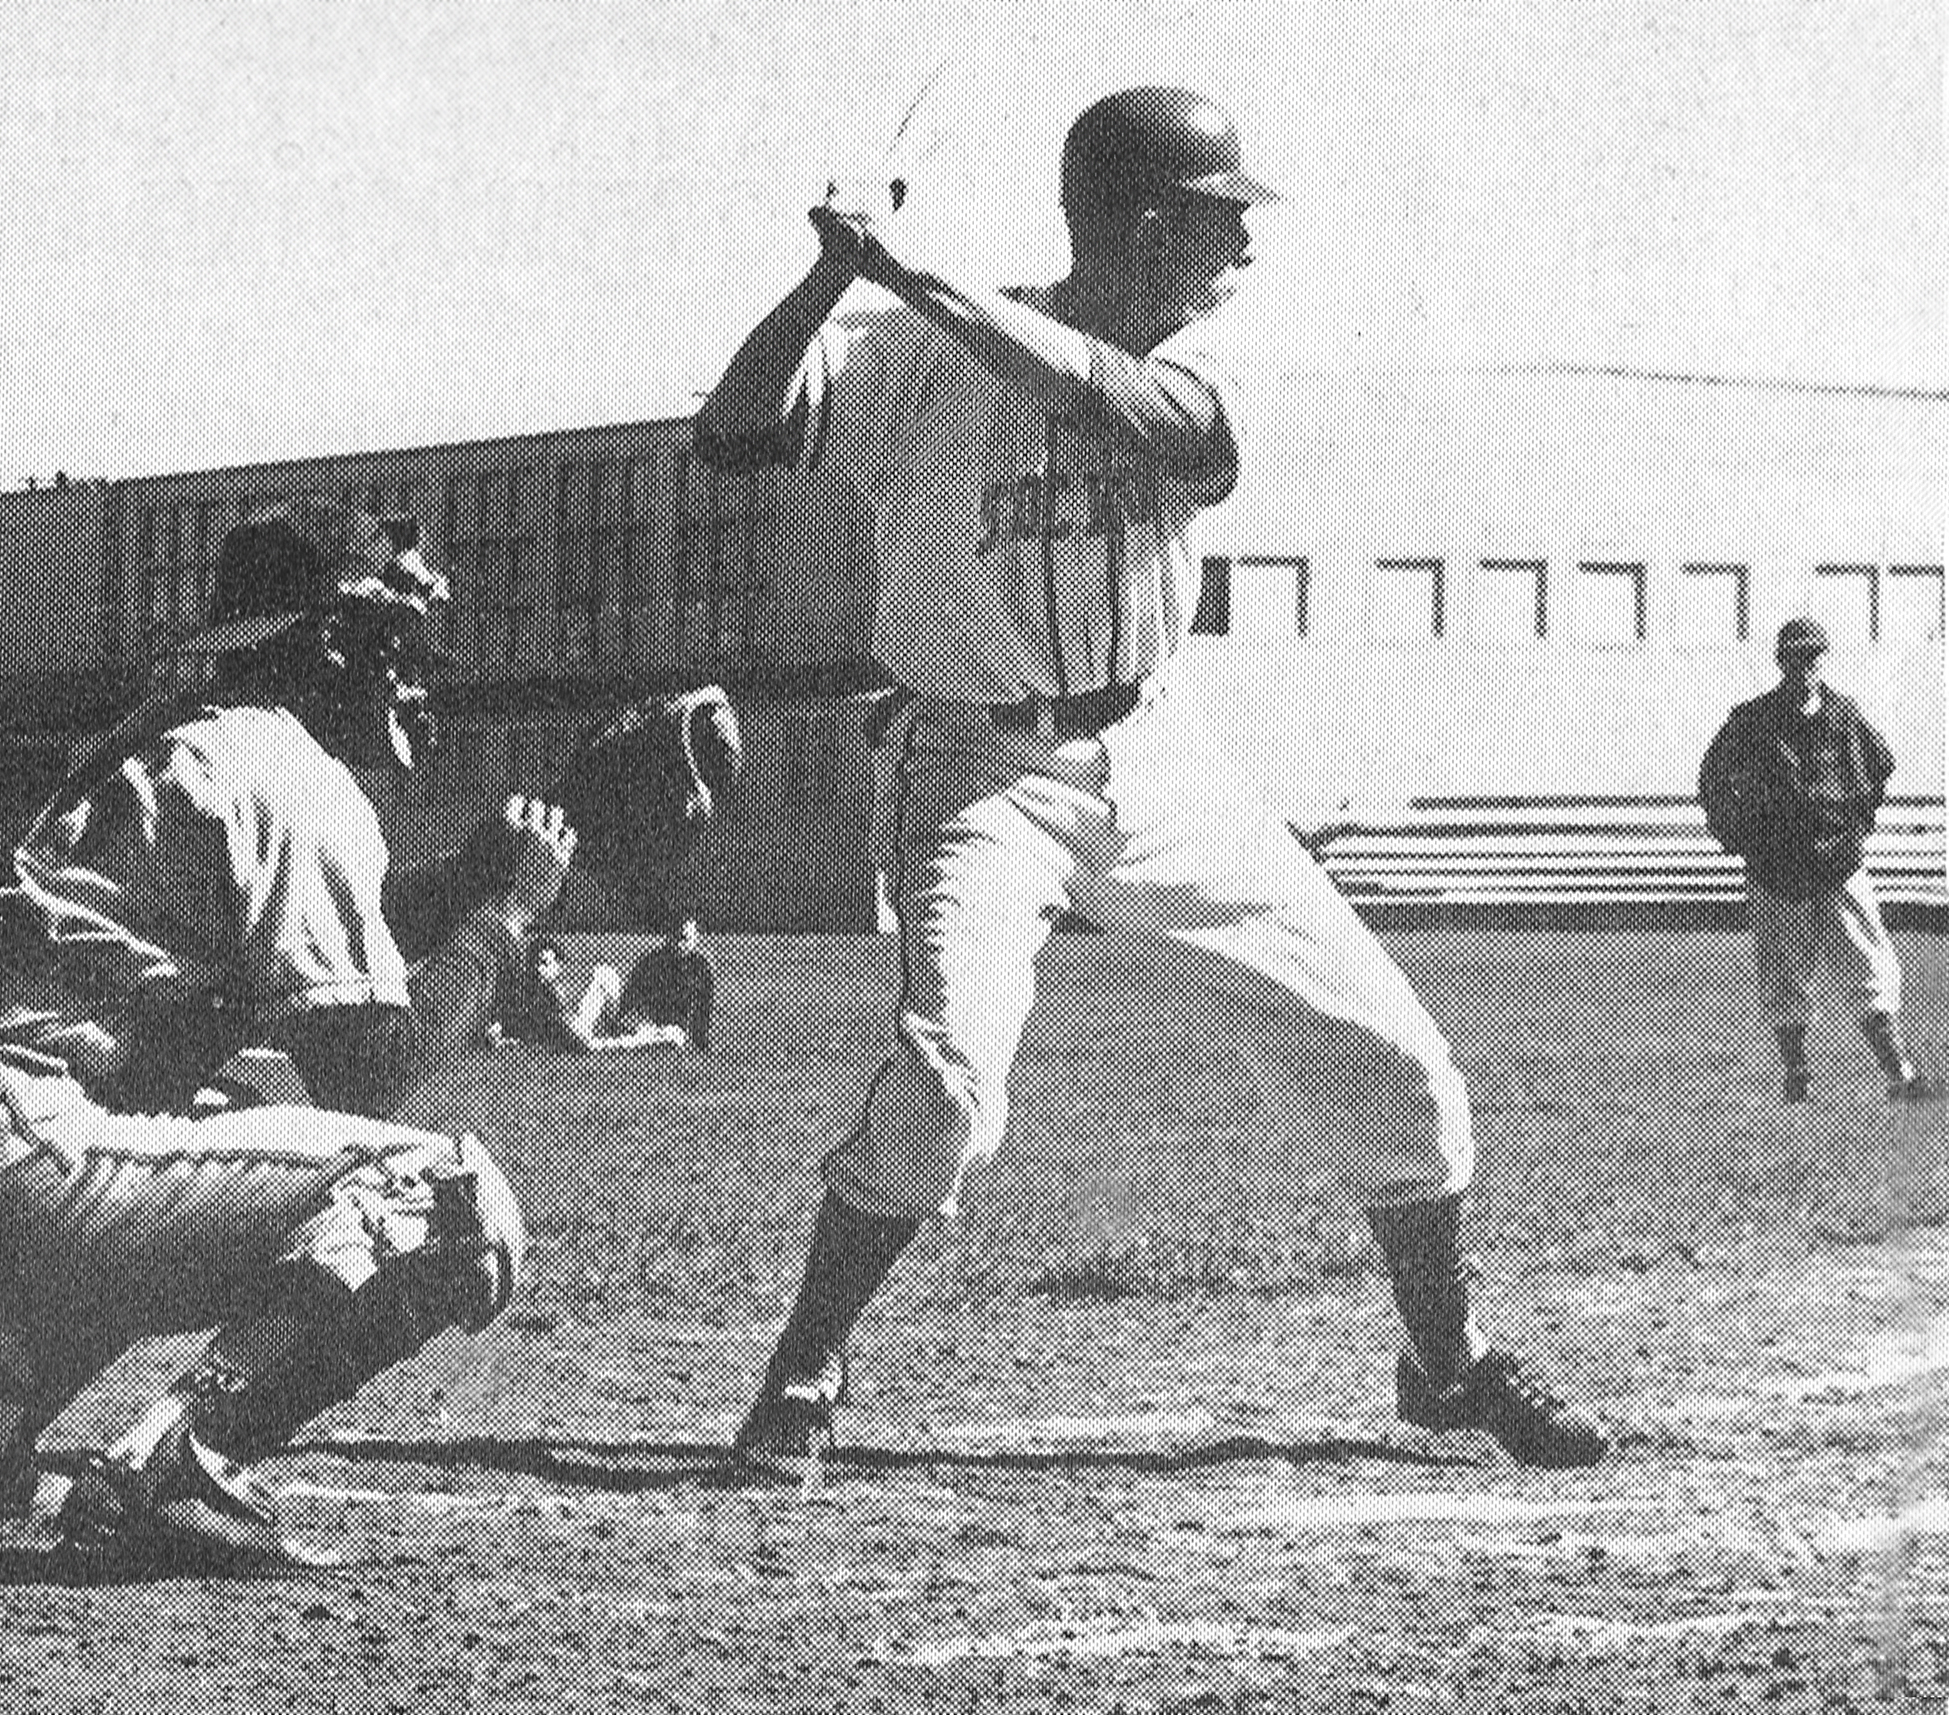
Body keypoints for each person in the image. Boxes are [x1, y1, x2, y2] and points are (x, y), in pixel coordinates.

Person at [688, 86, 1605, 1482]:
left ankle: (1445, 1359)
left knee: (1395, 1058)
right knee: (943, 1086)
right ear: (1139, 219)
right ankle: (804, 1364)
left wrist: (899, 268)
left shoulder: (1199, 369)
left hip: (1161, 756)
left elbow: (1096, 396)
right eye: (1218, 213)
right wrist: (830, 274)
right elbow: (733, 430)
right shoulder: (910, 352)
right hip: (977, 766)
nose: (1241, 239)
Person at [0, 498, 573, 1571]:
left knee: (212, 1119)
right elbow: (373, 1071)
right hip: (2, 1156)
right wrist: (499, 922)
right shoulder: (288, 766)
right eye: (396, 639)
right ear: (327, 636)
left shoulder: (186, 739)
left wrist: (466, 885)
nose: (415, 672)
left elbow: (302, 935)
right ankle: (178, 1456)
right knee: (449, 1201)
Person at [1698, 617, 1939, 1104]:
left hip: (1837, 865)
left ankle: (1899, 1074)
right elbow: (1711, 782)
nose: (1805, 666)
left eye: (1813, 656)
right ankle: (1797, 1072)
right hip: (1776, 866)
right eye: (1795, 657)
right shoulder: (1752, 720)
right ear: (1780, 661)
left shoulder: (1844, 716)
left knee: (1869, 964)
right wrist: (1739, 837)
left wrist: (1858, 823)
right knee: (1782, 973)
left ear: (1824, 660)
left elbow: (1879, 767)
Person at [489, 935, 689, 1052]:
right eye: (538, 963)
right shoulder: (531, 991)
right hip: (575, 1039)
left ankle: (641, 1028)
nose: (540, 969)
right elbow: (518, 1020)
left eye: (546, 963)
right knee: (604, 977)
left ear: (559, 967)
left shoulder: (549, 990)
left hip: (574, 1034)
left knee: (604, 976)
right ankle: (655, 1035)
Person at [621, 916, 716, 1050]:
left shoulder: (701, 969)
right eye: (677, 937)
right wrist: (637, 1022)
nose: (680, 943)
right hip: (639, 1022)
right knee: (603, 973)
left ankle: (597, 1044)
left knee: (671, 1037)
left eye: (686, 938)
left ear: (696, 938)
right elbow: (628, 1002)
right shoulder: (652, 961)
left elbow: (702, 1012)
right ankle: (582, 1028)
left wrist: (699, 1041)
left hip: (667, 1032)